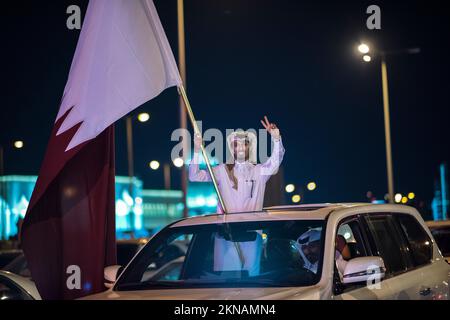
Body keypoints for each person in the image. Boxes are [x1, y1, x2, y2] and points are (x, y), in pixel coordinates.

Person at [189, 116, 285, 213]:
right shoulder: (222, 170)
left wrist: (276, 139)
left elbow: (275, 161)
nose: (240, 148)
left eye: (244, 144)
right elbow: (194, 176)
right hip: (228, 227)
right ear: (232, 149)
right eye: (236, 145)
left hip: (252, 226)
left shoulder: (259, 171)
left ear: (249, 148)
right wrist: (197, 150)